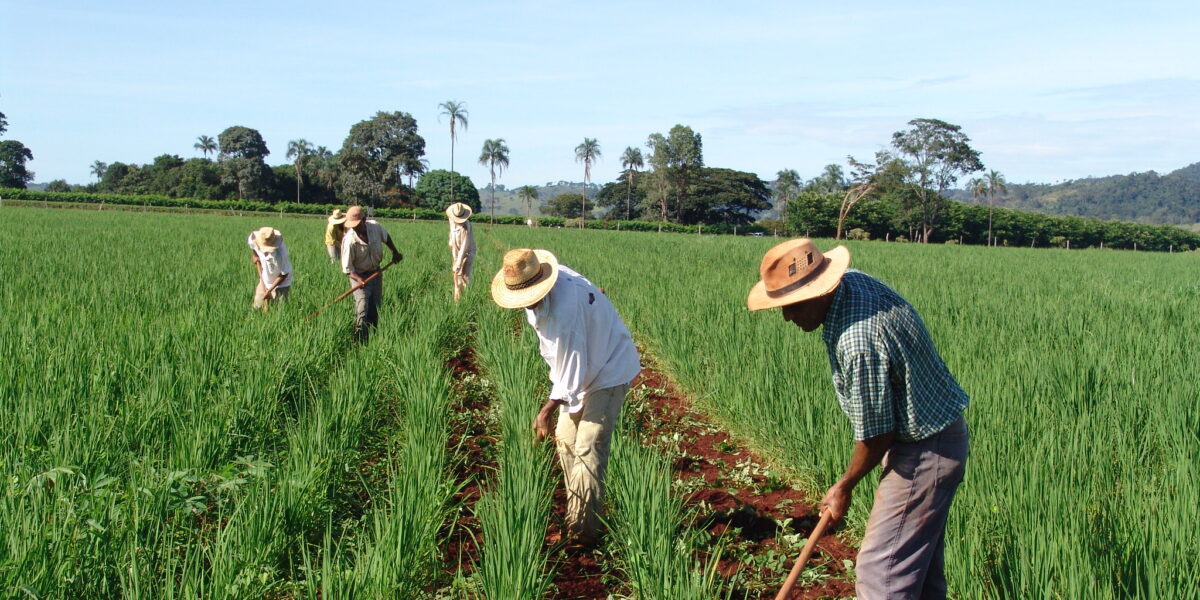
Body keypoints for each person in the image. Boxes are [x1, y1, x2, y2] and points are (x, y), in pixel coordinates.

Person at [746, 238, 969, 600]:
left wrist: (844, 486)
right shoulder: (853, 282)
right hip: (936, 437)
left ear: (819, 292)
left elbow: (877, 434)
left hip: (924, 453)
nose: (787, 317)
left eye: (792, 306)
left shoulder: (858, 340)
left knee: (881, 575)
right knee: (921, 573)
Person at [490, 248, 640, 547]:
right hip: (583, 365)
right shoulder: (548, 280)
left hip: (608, 368)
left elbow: (571, 373)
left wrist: (545, 411)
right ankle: (581, 512)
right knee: (565, 441)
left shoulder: (563, 314)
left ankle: (583, 533)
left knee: (588, 446)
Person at [341, 205, 402, 339]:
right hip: (359, 275)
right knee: (362, 307)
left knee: (375, 305)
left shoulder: (375, 227)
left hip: (376, 272)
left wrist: (395, 252)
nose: (355, 228)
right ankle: (359, 337)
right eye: (352, 225)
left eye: (357, 224)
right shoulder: (349, 240)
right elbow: (347, 269)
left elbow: (386, 238)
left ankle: (372, 335)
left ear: (364, 219)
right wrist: (359, 279)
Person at [247, 226, 292, 310]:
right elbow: (254, 250)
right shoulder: (254, 239)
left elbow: (284, 273)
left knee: (279, 309)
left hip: (281, 283)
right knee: (257, 305)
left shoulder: (281, 254)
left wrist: (269, 290)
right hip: (265, 277)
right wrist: (255, 256)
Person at [446, 202, 477, 302]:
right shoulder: (451, 221)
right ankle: (457, 298)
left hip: (468, 252)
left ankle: (467, 298)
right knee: (456, 276)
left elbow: (464, 246)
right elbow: (452, 235)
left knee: (465, 276)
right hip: (456, 250)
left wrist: (459, 263)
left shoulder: (466, 227)